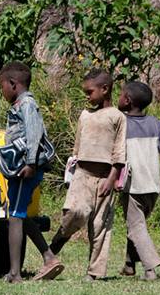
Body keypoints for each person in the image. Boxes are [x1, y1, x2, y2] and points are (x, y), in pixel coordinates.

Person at [0, 62, 64, 283]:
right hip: (18, 168)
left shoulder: (27, 105)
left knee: (14, 217)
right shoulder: (18, 106)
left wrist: (31, 164)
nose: (2, 91)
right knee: (20, 214)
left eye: (2, 86)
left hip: (26, 170)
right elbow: (14, 147)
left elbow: (34, 135)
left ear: (13, 84)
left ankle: (15, 273)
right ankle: (49, 257)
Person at [49, 69, 126, 281]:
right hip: (82, 174)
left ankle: (94, 272)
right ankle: (60, 238)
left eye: (90, 91)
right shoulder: (84, 115)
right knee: (74, 212)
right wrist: (71, 173)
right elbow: (77, 148)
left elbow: (119, 152)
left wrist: (111, 179)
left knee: (100, 226)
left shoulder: (117, 117)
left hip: (105, 179)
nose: (87, 96)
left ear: (105, 89)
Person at [117, 81, 160, 281]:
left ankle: (150, 268)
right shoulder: (154, 123)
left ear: (127, 100)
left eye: (120, 94)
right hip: (153, 185)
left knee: (136, 226)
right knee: (136, 223)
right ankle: (128, 264)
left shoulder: (121, 123)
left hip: (133, 185)